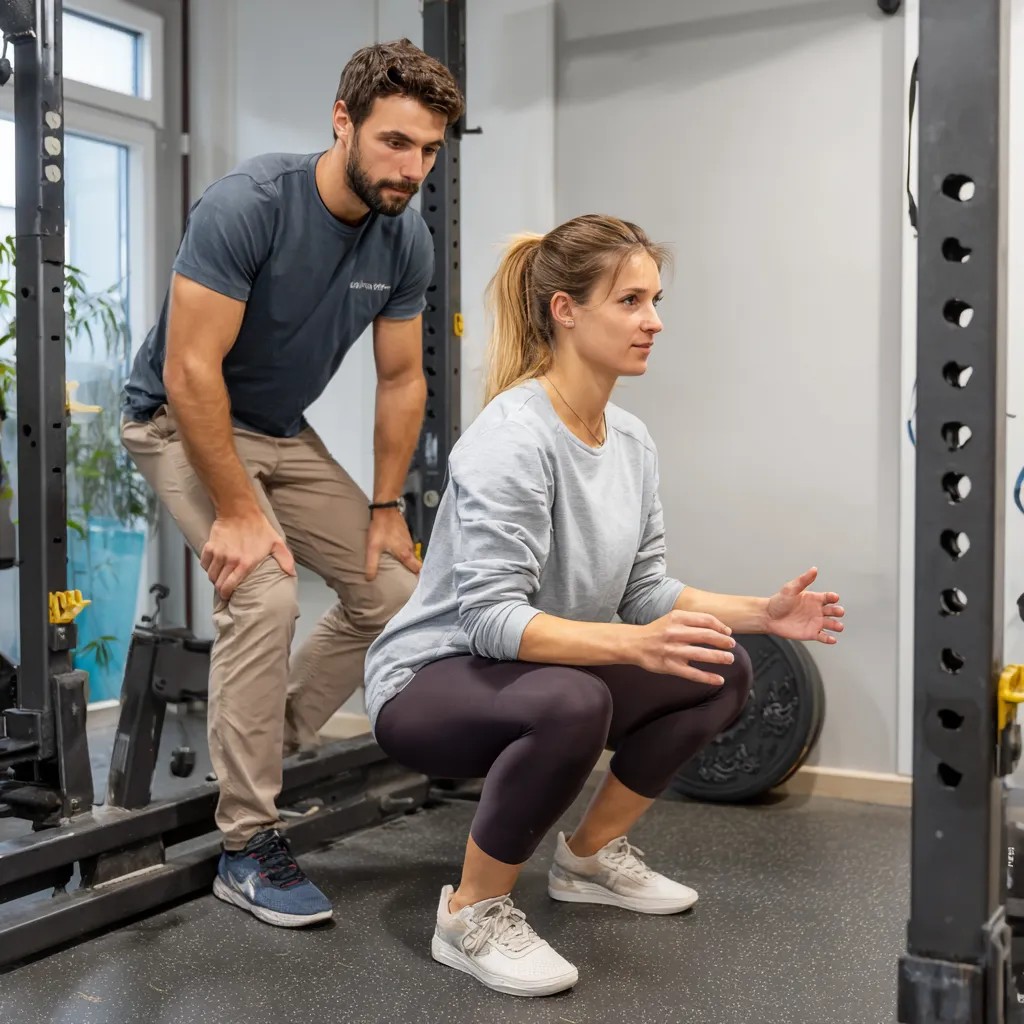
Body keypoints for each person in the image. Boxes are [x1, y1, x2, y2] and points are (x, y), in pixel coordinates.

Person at [363, 213, 845, 996]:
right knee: (574, 700)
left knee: (719, 669)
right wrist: (631, 647)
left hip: (539, 669)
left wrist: (763, 614)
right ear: (565, 310)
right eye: (630, 301)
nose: (653, 321)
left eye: (655, 300)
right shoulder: (513, 437)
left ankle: (587, 859)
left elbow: (644, 589)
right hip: (429, 680)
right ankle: (472, 910)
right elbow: (487, 622)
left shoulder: (629, 439)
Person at [120, 39, 464, 928]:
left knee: (395, 591)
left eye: (428, 151)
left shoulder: (406, 236)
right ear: (342, 121)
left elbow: (401, 381)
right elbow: (193, 369)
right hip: (178, 416)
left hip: (278, 428)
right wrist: (237, 509)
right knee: (265, 591)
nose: (411, 169)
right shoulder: (250, 205)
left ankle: (259, 753)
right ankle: (245, 843)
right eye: (395, 143)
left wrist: (386, 510)